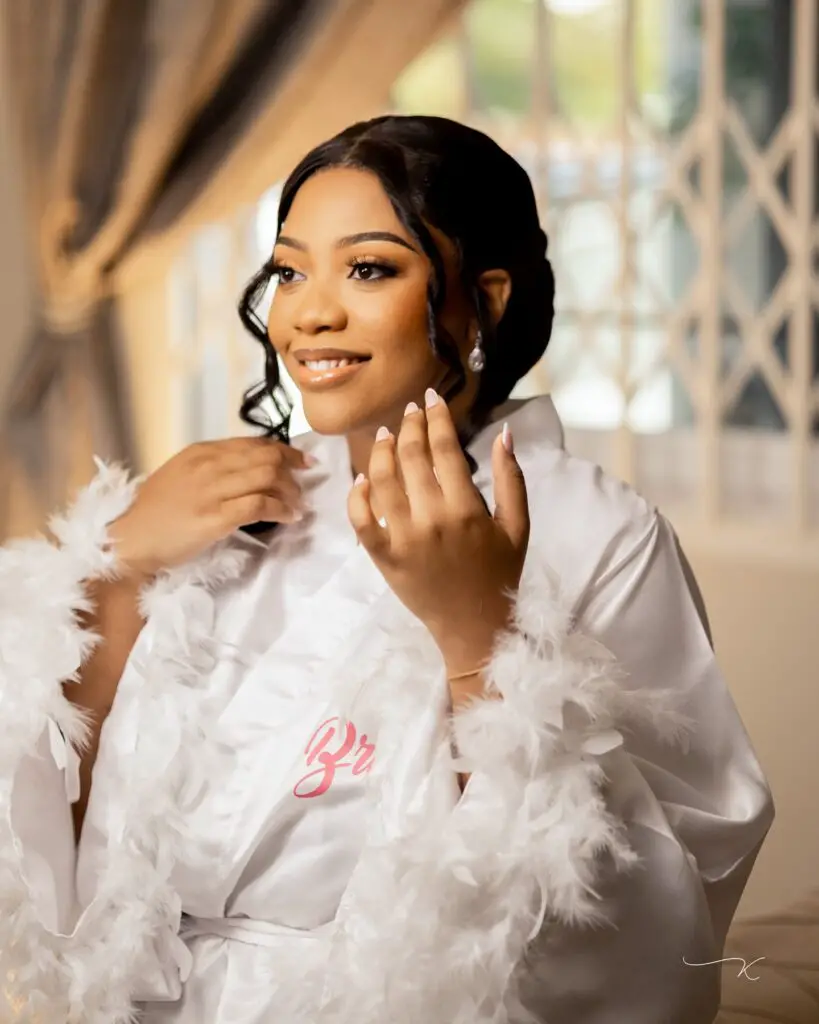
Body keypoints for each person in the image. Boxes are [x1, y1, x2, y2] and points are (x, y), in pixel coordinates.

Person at [0, 115, 773, 1024]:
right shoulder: (234, 497)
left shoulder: (598, 531)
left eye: (368, 268)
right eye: (289, 269)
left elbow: (655, 915)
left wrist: (477, 641)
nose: (309, 311)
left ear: (480, 300)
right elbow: (64, 854)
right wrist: (118, 565)